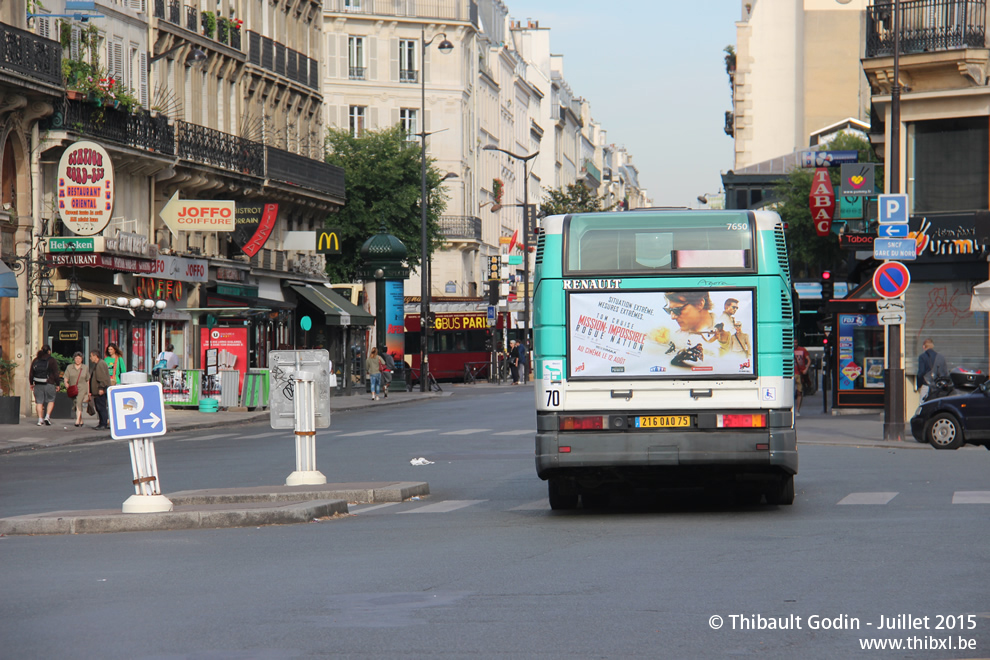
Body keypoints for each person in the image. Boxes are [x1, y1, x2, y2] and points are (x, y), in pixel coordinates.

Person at [28, 345, 59, 426]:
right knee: (51, 400)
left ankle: (39, 419)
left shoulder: (36, 360)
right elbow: (56, 373)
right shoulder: (52, 360)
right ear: (49, 351)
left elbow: (31, 373)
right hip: (49, 383)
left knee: (39, 401)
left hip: (38, 383)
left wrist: (31, 383)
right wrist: (58, 384)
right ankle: (47, 416)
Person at [63, 351, 90, 428]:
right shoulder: (70, 367)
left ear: (82, 359)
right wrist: (66, 384)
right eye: (76, 358)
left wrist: (88, 391)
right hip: (73, 388)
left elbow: (87, 380)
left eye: (79, 358)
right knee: (76, 403)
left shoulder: (85, 368)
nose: (78, 360)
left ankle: (77, 420)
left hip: (82, 387)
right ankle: (81, 420)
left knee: (79, 401)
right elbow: (66, 377)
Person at [88, 350, 111, 430]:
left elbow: (102, 378)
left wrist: (101, 388)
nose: (90, 358)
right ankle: (102, 422)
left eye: (91, 356)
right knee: (99, 407)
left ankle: (103, 423)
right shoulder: (98, 364)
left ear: (95, 356)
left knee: (101, 407)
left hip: (100, 390)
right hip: (97, 390)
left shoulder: (100, 364)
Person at [794, 344, 811, 417]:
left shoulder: (802, 349)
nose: (794, 344)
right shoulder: (790, 350)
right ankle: (794, 408)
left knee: (799, 392)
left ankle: (797, 409)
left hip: (799, 373)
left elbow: (809, 360)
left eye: (796, 342)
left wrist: (806, 369)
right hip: (793, 373)